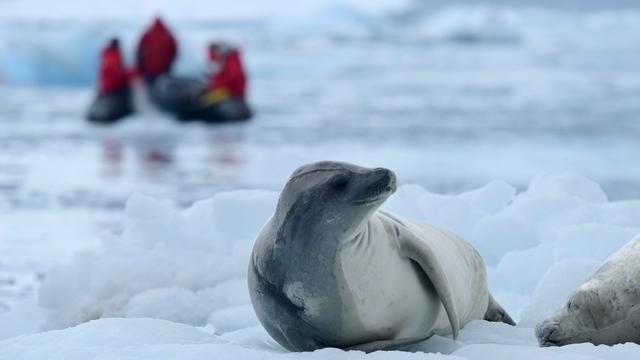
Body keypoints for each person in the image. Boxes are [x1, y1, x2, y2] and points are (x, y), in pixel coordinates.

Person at [191, 42, 252, 122]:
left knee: (203, 103)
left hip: (230, 93)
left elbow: (228, 82)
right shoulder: (226, 61)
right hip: (227, 92)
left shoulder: (231, 62)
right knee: (202, 101)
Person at [87, 38, 134, 123]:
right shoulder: (112, 56)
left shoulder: (108, 55)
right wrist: (131, 73)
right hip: (113, 89)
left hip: (106, 88)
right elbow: (116, 72)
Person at [136, 17, 177, 81]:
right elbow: (174, 51)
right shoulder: (168, 35)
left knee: (150, 84)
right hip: (163, 67)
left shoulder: (147, 34)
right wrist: (169, 63)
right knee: (162, 84)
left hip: (149, 67)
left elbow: (139, 50)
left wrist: (140, 65)